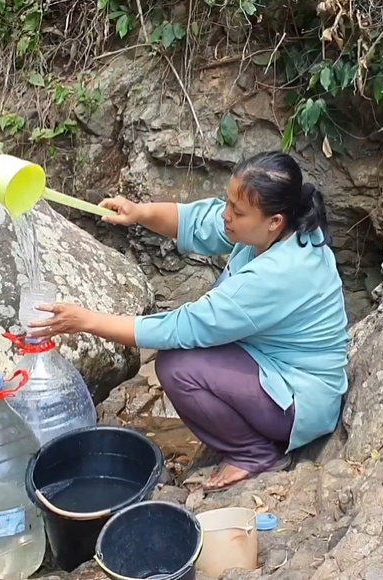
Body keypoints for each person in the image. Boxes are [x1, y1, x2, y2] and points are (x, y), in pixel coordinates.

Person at [28, 151, 349, 492]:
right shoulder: (277, 227)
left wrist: (86, 321)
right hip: (274, 366)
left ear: (275, 221)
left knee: (178, 366)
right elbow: (196, 222)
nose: (226, 215)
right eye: (228, 202)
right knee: (185, 357)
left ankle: (255, 454)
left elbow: (181, 328)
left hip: (301, 400)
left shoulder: (279, 274)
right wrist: (138, 213)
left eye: (237, 211)